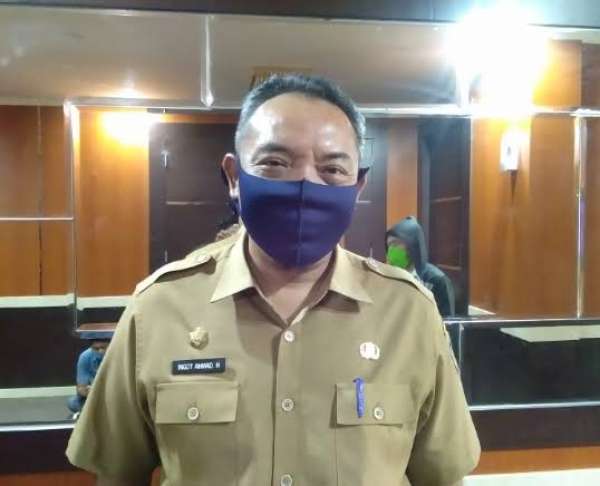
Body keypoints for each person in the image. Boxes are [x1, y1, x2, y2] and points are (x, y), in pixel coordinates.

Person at [67, 74, 479, 485]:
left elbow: (440, 477)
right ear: (234, 177)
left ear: (357, 187)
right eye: (276, 163)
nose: (306, 184)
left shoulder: (409, 313)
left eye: (332, 168)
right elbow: (117, 474)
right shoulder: (158, 309)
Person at [387, 216, 456, 317]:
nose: (391, 250)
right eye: (389, 245)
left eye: (395, 244)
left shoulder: (436, 280)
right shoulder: (390, 277)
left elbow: (447, 321)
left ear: (412, 245)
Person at [67, 339, 109, 417]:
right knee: (72, 403)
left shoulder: (120, 355)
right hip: (94, 397)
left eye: (104, 348)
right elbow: (81, 389)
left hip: (114, 395)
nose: (100, 351)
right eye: (96, 349)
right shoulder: (85, 356)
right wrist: (88, 391)